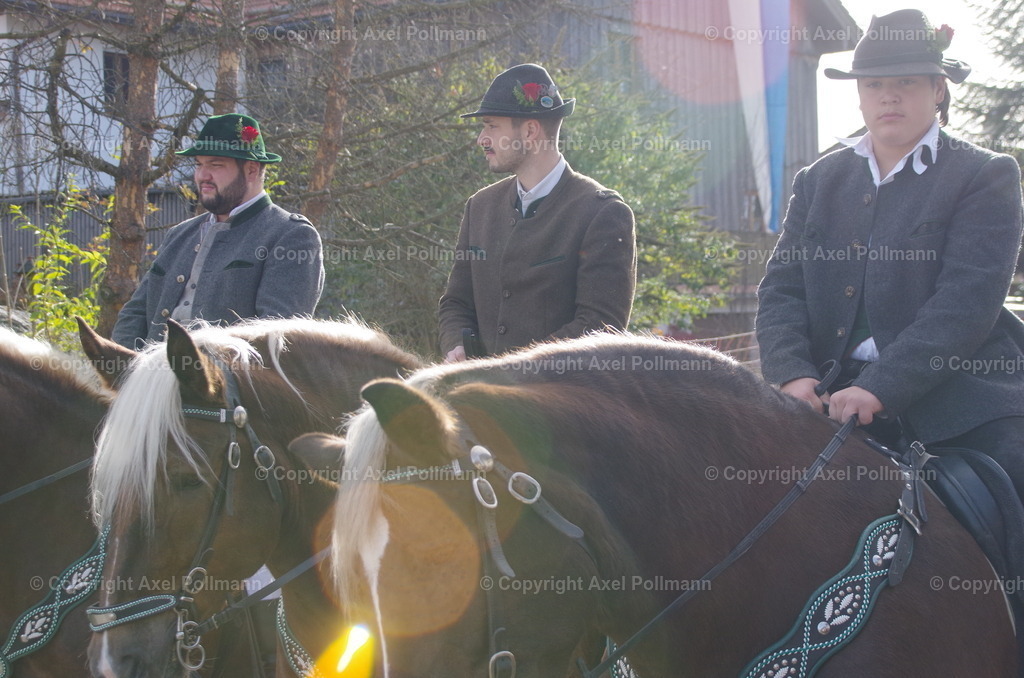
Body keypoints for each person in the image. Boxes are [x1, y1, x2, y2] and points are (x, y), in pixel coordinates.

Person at [756, 9, 1024, 496]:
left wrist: (881, 386)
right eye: (874, 84)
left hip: (959, 394)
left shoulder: (984, 174)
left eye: (906, 82)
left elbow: (966, 303)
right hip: (829, 392)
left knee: (1013, 478)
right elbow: (782, 289)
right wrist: (792, 373)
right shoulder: (818, 180)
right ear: (860, 94)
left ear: (938, 89)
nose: (888, 96)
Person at [438, 63, 636, 361]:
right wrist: (457, 344)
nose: (482, 139)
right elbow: (456, 303)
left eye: (491, 126)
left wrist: (513, 370)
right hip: (479, 389)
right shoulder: (479, 206)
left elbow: (600, 328)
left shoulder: (603, 213)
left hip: (559, 391)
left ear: (530, 131)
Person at [112, 113, 324, 349]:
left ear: (251, 170)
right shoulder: (179, 235)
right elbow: (134, 314)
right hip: (151, 370)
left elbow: (276, 338)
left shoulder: (290, 235)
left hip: (226, 373)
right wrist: (126, 366)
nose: (202, 176)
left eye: (215, 165)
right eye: (199, 164)